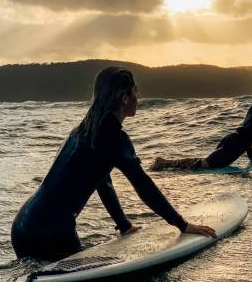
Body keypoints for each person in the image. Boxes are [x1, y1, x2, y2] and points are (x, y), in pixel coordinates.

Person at [11, 66, 216, 261]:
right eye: (136, 92)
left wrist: (123, 225)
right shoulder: (115, 138)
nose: (139, 97)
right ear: (125, 97)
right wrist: (182, 224)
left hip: (23, 226)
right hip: (51, 232)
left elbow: (102, 181)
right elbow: (143, 185)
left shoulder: (84, 130)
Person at [150, 76, 252, 171]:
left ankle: (165, 164)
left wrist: (251, 156)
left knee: (203, 163)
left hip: (230, 139)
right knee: (203, 164)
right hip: (235, 146)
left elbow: (247, 126)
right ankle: (164, 164)